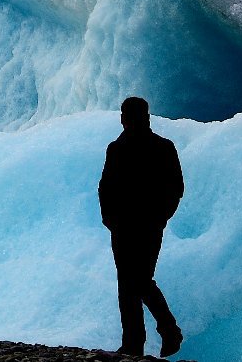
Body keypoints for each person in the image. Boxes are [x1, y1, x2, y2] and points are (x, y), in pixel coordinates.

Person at [98, 96, 184, 358]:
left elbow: (175, 188)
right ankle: (136, 344)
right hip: (129, 226)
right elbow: (106, 187)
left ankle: (165, 331)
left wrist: (158, 217)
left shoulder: (155, 147)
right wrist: (110, 219)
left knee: (136, 281)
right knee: (130, 283)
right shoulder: (123, 148)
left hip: (141, 226)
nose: (126, 120)